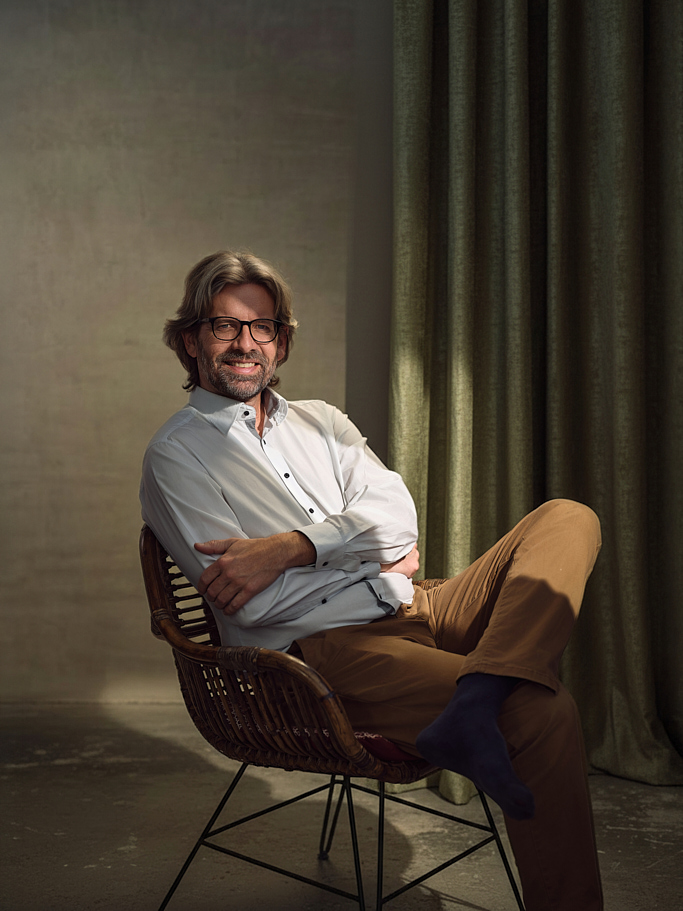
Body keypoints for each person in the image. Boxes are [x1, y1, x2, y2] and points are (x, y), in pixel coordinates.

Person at [140, 250, 604, 910]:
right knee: (541, 711)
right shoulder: (175, 456)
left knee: (567, 517)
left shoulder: (323, 421)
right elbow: (258, 605)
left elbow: (400, 521)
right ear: (191, 340)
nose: (245, 343)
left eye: (262, 326)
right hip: (324, 655)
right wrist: (366, 558)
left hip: (416, 605)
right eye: (224, 325)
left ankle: (478, 695)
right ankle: (493, 707)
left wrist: (290, 547)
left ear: (281, 342)